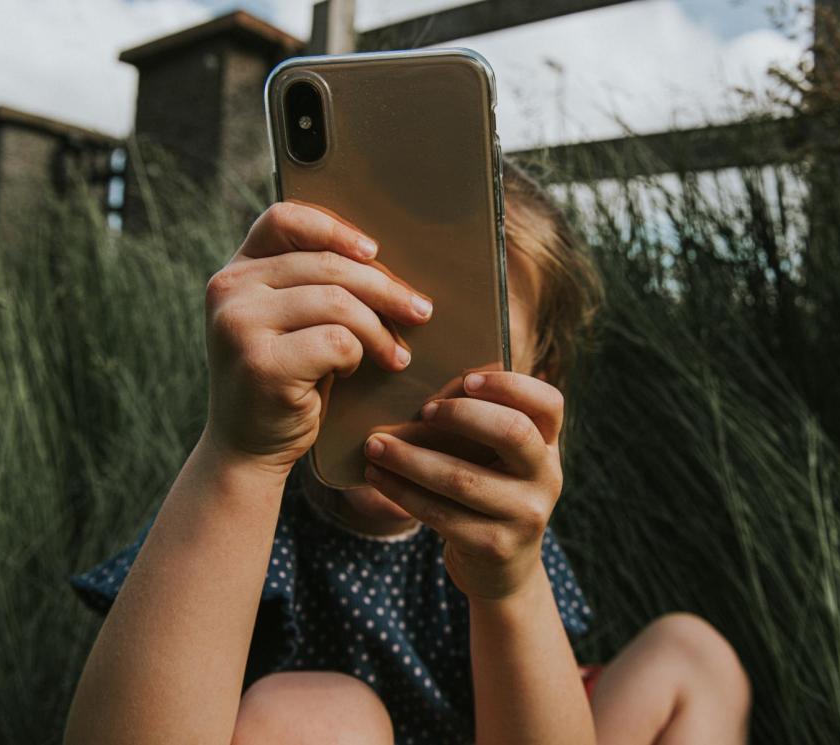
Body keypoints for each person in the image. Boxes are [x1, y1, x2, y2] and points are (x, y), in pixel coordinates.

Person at [63, 162, 751, 745]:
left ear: (539, 388)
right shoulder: (242, 517)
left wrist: (509, 582)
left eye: (460, 345)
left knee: (694, 653)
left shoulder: (501, 531)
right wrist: (240, 454)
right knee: (317, 711)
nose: (399, 371)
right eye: (367, 322)